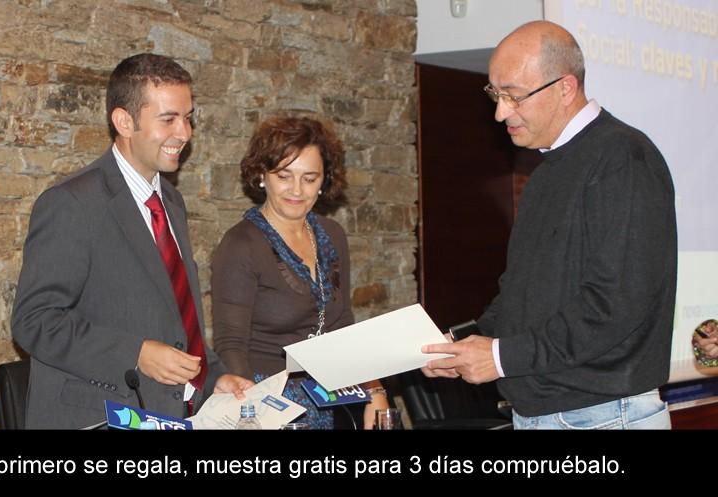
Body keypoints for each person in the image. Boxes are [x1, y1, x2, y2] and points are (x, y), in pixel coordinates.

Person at [422, 21, 677, 429]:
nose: (500, 112)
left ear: (565, 88)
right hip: (551, 414)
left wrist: (500, 357)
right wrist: (464, 343)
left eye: (514, 95)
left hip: (603, 416)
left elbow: (615, 306)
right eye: (495, 94)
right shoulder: (546, 172)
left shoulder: (623, 158)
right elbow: (524, 296)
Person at [12, 53, 253, 429]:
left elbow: (175, 318)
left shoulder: (170, 201)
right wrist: (135, 354)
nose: (184, 133)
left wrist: (212, 378)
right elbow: (35, 321)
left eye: (188, 118)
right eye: (168, 119)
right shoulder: (71, 203)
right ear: (124, 122)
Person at [212, 116, 388, 429]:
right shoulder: (241, 244)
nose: (296, 190)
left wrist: (374, 390)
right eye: (284, 176)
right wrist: (251, 413)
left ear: (324, 181)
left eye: (309, 178)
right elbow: (231, 344)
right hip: (268, 400)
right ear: (262, 175)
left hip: (332, 398)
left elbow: (342, 325)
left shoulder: (333, 234)